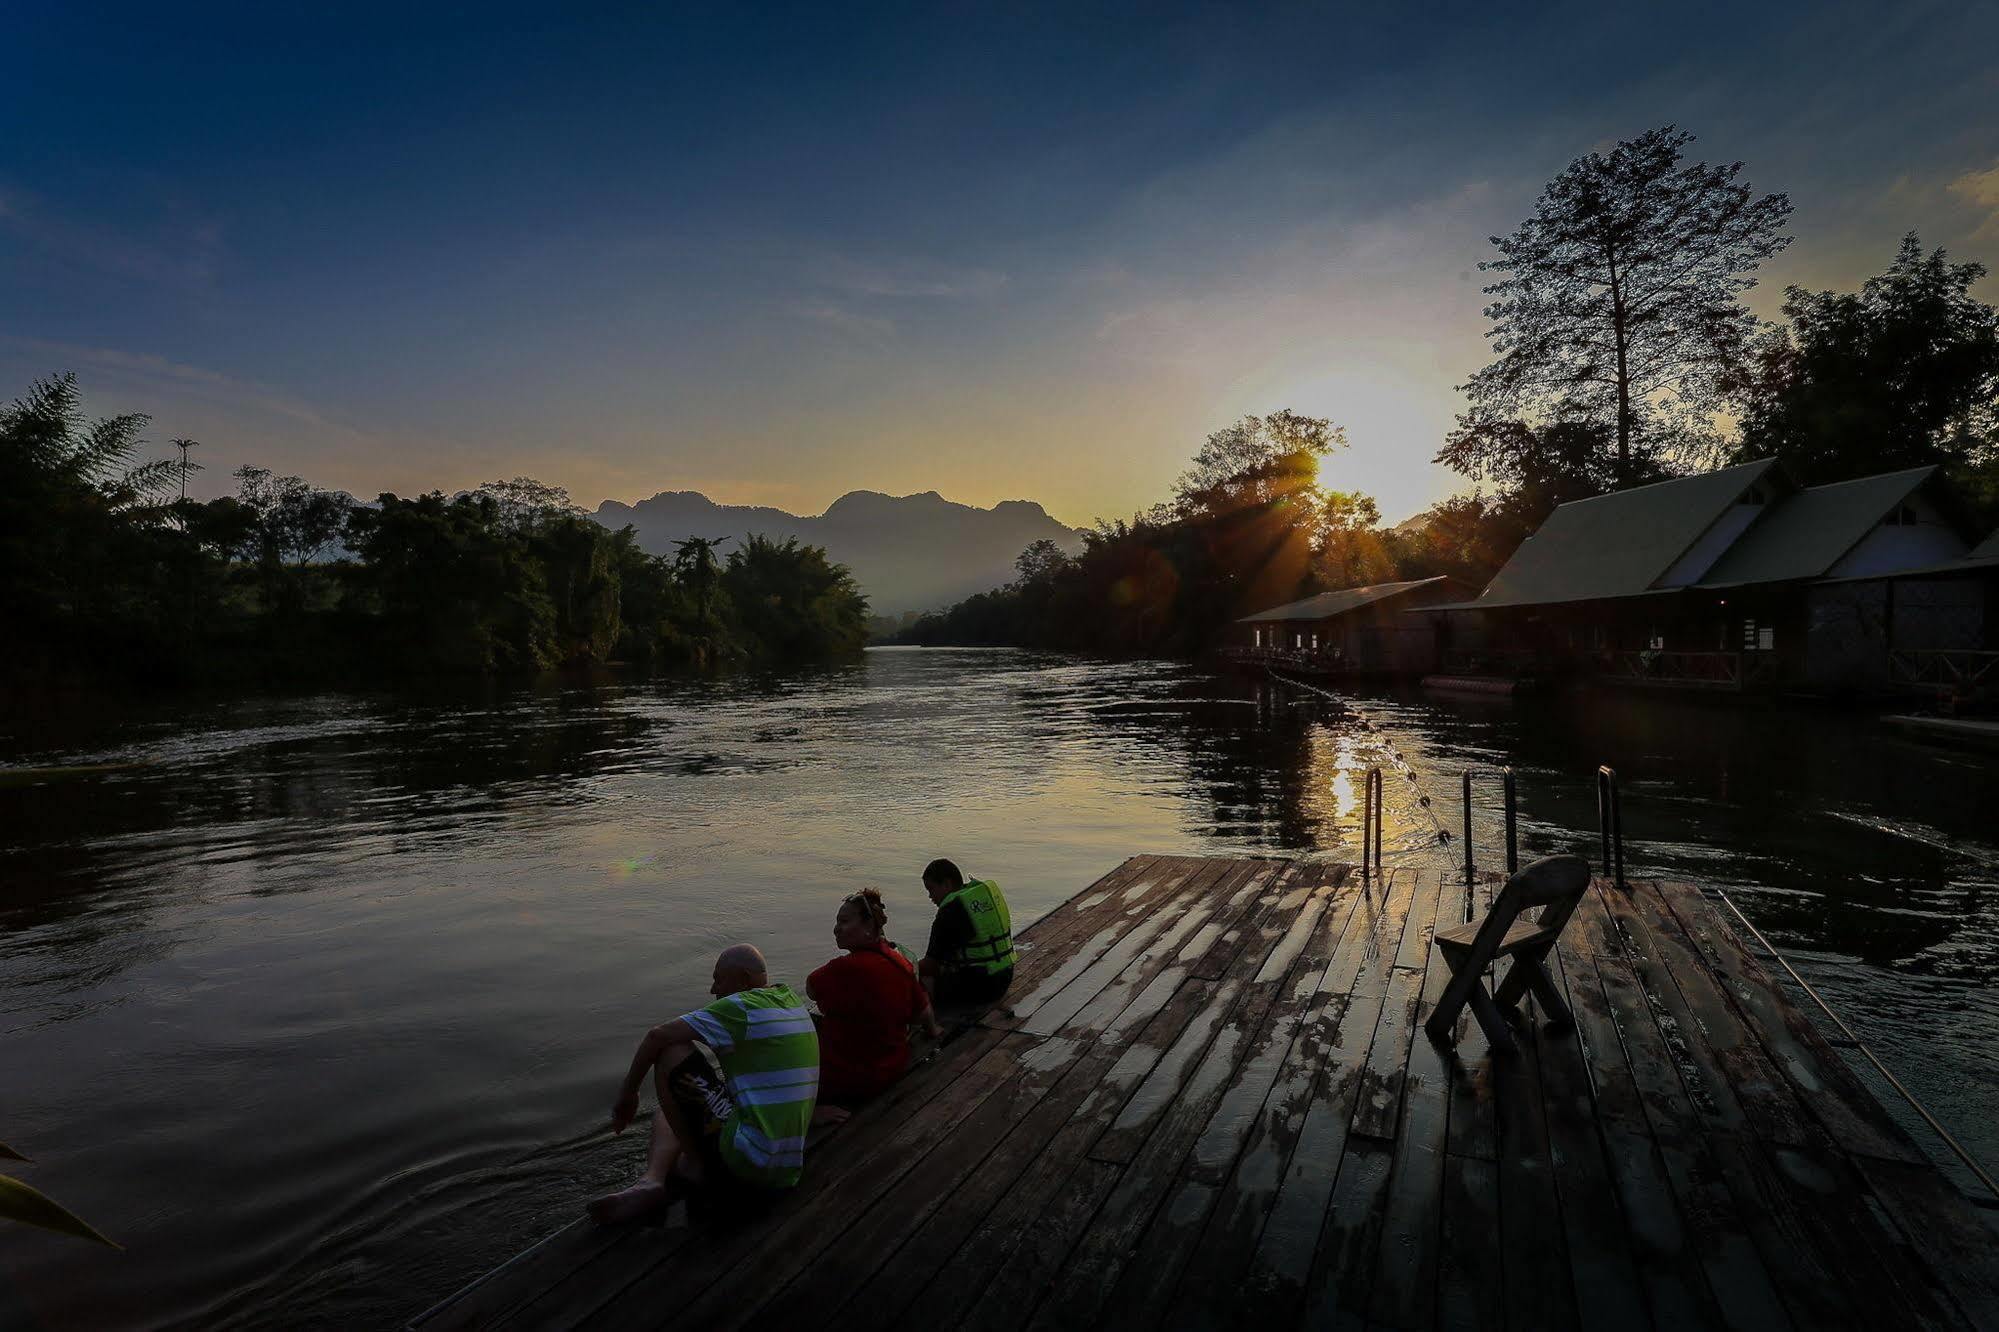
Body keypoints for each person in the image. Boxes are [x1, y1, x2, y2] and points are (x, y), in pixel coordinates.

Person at [589, 943, 818, 1224]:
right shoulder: (790, 1000)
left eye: (718, 979)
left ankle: (691, 1170)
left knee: (671, 1051)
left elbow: (657, 1036)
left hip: (752, 1163)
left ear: (745, 979)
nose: (713, 990)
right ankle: (653, 1179)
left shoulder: (742, 1007)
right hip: (786, 1167)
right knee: (669, 1108)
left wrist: (628, 1094)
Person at [807, 889, 942, 1121]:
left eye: (844, 921)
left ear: (868, 925)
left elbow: (810, 988)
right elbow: (924, 1012)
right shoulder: (900, 961)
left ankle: (808, 1114)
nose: (836, 928)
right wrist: (934, 1031)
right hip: (890, 1068)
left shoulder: (846, 968)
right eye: (837, 921)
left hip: (851, 1079)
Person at [918, 858, 1015, 1007]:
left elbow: (930, 964)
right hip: (1004, 979)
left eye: (931, 889)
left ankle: (931, 1016)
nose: (930, 896)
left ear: (946, 884)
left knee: (920, 976)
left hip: (979, 989)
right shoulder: (978, 900)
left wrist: (904, 966)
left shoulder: (949, 912)